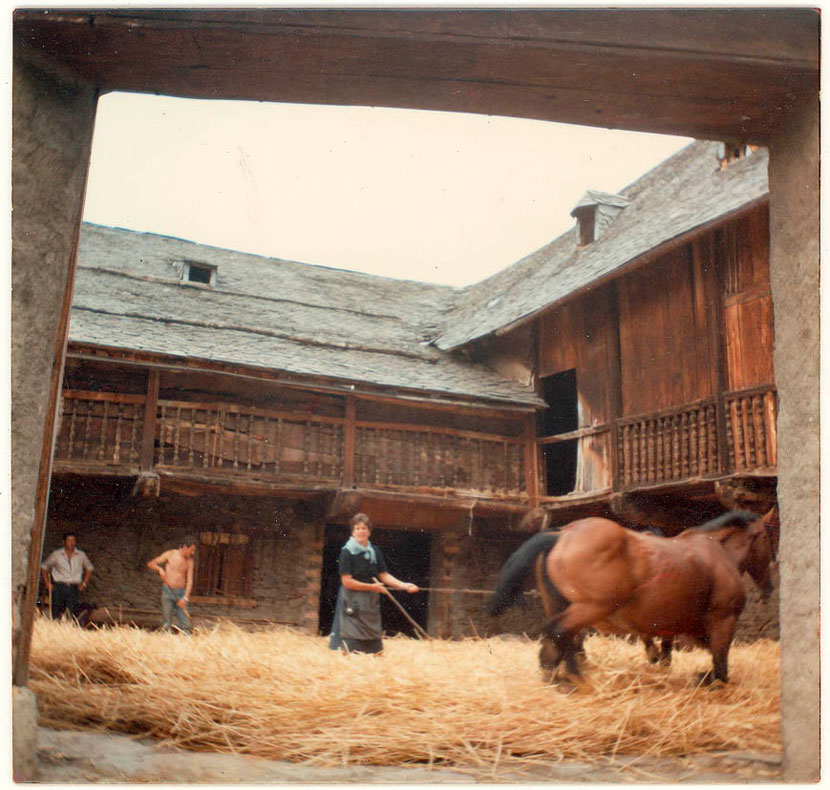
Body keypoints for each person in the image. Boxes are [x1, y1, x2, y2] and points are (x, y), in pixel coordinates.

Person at [329, 513, 419, 654]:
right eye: (357, 528)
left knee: (372, 642)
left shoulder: (374, 551)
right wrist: (372, 587)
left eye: (364, 528)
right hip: (351, 599)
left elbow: (384, 575)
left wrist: (405, 585)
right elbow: (346, 581)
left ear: (369, 531)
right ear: (353, 531)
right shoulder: (346, 552)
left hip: (369, 600)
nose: (361, 531)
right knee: (350, 641)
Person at [147, 536, 197, 634]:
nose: (193, 553)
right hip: (168, 591)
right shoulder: (170, 554)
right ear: (185, 547)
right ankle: (165, 636)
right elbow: (151, 564)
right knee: (166, 620)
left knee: (185, 622)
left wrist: (185, 598)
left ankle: (186, 636)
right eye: (192, 550)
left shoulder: (190, 561)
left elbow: (190, 580)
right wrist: (160, 569)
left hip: (181, 593)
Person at [41, 531, 94, 621]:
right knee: (56, 613)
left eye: (73, 540)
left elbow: (89, 568)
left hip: (73, 588)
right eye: (69, 540)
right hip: (59, 587)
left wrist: (84, 584)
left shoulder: (81, 555)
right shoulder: (56, 554)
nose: (71, 543)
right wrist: (47, 584)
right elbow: (44, 567)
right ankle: (55, 629)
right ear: (63, 542)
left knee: (71, 613)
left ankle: (69, 630)